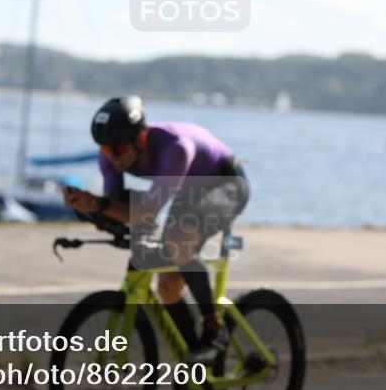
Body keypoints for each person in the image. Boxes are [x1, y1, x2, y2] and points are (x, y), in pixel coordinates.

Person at [63, 96, 249, 369]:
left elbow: (145, 213)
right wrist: (89, 210)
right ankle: (195, 362)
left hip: (226, 184)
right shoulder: (109, 159)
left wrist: (98, 204)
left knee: (177, 242)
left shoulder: (176, 149)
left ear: (139, 139)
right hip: (188, 190)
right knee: (167, 285)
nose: (111, 157)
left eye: (117, 148)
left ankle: (214, 329)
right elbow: (120, 209)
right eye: (104, 149)